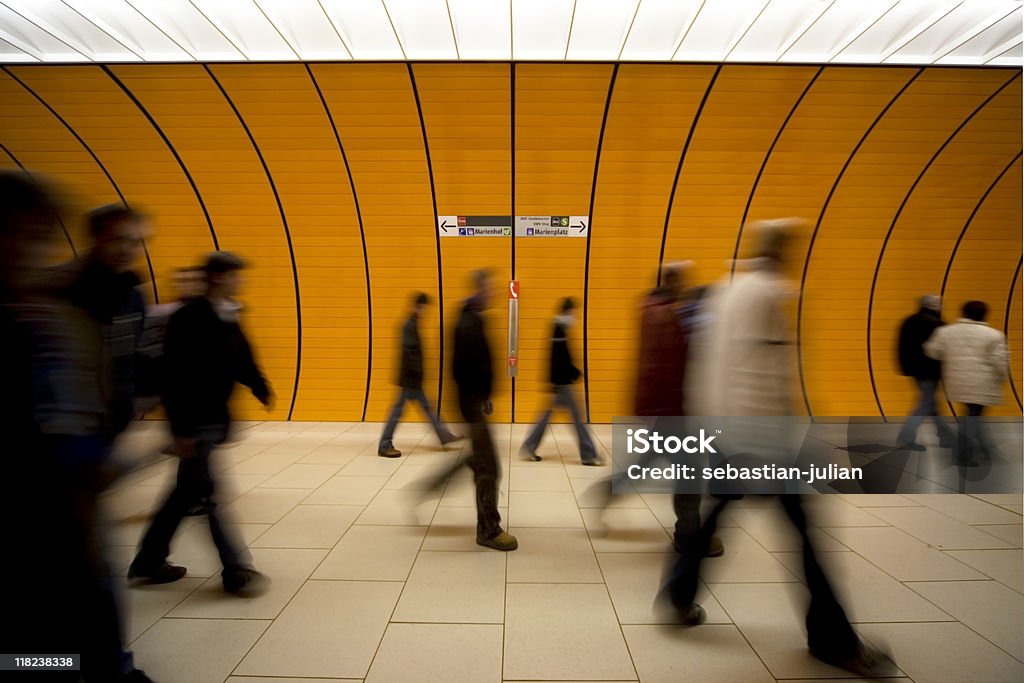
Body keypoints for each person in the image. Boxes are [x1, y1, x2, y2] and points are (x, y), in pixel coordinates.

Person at [663, 219, 893, 676]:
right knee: (806, 537)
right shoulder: (773, 294)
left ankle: (677, 596)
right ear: (786, 251)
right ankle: (832, 642)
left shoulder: (725, 290)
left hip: (727, 433)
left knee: (714, 514)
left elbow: (708, 365)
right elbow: (775, 379)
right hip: (764, 442)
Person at [0, 171, 155, 682]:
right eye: (20, 233)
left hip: (69, 486)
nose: (28, 249)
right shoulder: (52, 300)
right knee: (32, 652)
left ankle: (108, 667)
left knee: (91, 584)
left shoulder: (86, 306)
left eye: (40, 236)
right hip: (39, 503)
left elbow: (87, 385)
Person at [129, 251, 273, 594]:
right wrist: (180, 428)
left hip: (212, 417)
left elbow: (241, 356)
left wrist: (259, 385)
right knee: (209, 495)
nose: (240, 281)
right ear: (217, 277)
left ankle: (148, 560)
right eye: (235, 276)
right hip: (194, 420)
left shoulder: (229, 313)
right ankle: (236, 570)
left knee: (183, 495)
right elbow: (173, 374)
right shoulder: (188, 317)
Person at [423, 270, 517, 551]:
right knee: (489, 467)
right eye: (489, 290)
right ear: (479, 290)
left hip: (474, 402)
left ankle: (433, 485)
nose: (493, 295)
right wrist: (476, 401)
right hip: (470, 405)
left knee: (479, 460)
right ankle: (488, 530)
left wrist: (485, 395)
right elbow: (462, 369)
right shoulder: (466, 323)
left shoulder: (472, 318)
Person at [924, 300, 1009, 466]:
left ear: (963, 312)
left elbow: (932, 351)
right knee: (973, 416)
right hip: (982, 383)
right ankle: (962, 454)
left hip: (956, 381)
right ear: (985, 314)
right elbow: (1000, 362)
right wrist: (1002, 377)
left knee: (972, 415)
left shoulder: (946, 332)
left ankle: (986, 449)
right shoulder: (994, 335)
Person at [378, 292, 461, 457]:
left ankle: (444, 436)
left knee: (427, 409)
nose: (425, 311)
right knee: (397, 412)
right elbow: (410, 352)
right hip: (410, 380)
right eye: (423, 308)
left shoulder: (412, 324)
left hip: (413, 379)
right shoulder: (408, 326)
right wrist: (417, 374)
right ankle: (384, 445)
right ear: (418, 306)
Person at [519, 297, 600, 464]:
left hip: (559, 383)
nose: (575, 317)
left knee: (546, 417)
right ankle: (589, 455)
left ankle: (529, 447)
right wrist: (575, 373)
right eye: (573, 313)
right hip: (563, 384)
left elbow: (554, 358)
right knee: (578, 419)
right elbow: (559, 359)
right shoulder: (559, 329)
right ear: (568, 312)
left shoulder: (558, 327)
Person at [896, 295, 955, 450]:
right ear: (935, 306)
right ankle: (905, 437)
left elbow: (901, 347)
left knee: (931, 403)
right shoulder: (936, 324)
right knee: (926, 403)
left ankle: (945, 436)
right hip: (930, 370)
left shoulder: (909, 320)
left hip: (915, 369)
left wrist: (905, 367)